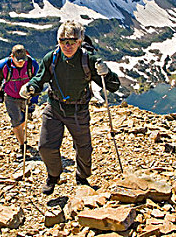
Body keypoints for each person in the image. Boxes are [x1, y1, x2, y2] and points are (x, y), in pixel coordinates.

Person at [19, 20, 120, 195]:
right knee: (45, 147)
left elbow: (112, 85)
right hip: (54, 108)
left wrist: (107, 73)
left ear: (80, 42)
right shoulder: (51, 58)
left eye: (72, 41)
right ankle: (53, 175)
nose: (67, 45)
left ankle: (82, 176)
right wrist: (31, 87)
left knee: (84, 148)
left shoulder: (89, 60)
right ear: (58, 41)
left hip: (78, 110)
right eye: (63, 41)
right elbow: (40, 78)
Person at [0, 44, 39, 160]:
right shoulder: (3, 66)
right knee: (16, 121)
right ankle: (22, 146)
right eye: (18, 61)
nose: (21, 63)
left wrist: (33, 100)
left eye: (23, 60)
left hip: (26, 96)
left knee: (23, 120)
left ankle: (22, 138)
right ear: (12, 56)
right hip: (11, 97)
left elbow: (38, 82)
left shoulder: (32, 64)